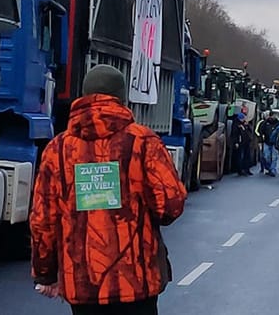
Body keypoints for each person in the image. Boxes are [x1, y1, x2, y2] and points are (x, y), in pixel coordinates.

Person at [31, 65, 187, 315]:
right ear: (122, 99)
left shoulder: (58, 150)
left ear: (82, 97)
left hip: (84, 284)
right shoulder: (143, 142)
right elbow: (170, 206)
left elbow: (43, 221)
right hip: (136, 282)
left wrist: (45, 273)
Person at [257, 112, 279, 177]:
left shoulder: (278, 123)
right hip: (266, 142)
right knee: (266, 156)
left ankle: (273, 170)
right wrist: (261, 140)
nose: (275, 117)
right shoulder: (264, 123)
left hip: (275, 143)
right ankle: (268, 168)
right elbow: (260, 131)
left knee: (274, 157)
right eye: (273, 115)